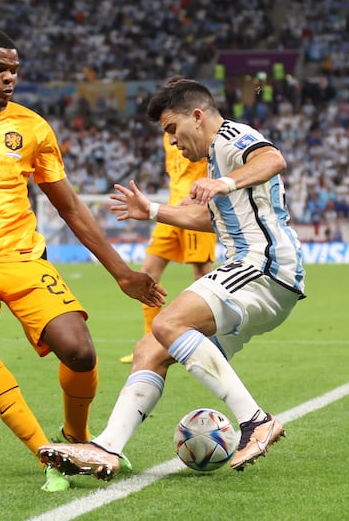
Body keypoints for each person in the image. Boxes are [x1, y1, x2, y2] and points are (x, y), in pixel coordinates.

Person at [0, 28, 165, 493]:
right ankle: (49, 456)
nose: (9, 78)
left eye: (14, 70)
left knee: (80, 350)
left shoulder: (34, 127)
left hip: (22, 258)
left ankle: (77, 440)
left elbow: (71, 207)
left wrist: (122, 272)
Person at [39, 77, 306, 480]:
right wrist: (151, 211)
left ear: (197, 117)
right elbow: (208, 218)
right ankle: (107, 448)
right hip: (258, 274)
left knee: (167, 322)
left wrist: (224, 182)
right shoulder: (215, 158)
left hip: (263, 265)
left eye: (172, 131)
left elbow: (273, 159)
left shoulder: (232, 136)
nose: (173, 142)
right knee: (151, 347)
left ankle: (256, 421)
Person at [119, 131, 217, 364]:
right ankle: (149, 343)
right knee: (148, 274)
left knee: (203, 276)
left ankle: (209, 346)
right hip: (170, 211)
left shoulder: (199, 131)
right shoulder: (167, 136)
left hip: (195, 211)